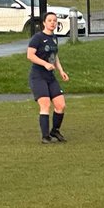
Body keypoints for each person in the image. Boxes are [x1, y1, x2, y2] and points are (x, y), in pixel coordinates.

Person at [26, 11, 70, 143]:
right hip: (38, 76)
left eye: (55, 21)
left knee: (61, 105)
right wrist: (45, 64)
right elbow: (30, 55)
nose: (53, 23)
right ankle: (45, 136)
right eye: (50, 20)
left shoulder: (54, 38)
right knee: (45, 104)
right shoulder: (37, 38)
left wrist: (61, 71)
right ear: (44, 23)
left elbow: (54, 56)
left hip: (50, 76)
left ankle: (55, 131)